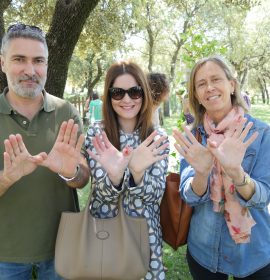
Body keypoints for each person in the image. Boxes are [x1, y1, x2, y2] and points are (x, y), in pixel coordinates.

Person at [0, 23, 90, 279]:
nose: (30, 70)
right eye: (19, 59)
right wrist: (7, 177)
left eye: (38, 60)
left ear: (47, 65)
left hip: (61, 249)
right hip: (5, 256)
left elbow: (83, 179)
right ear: (2, 63)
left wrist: (71, 173)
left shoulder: (67, 112)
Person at [173, 55, 270, 279]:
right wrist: (202, 172)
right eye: (201, 84)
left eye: (216, 79)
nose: (209, 88)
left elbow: (264, 196)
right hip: (204, 250)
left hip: (253, 253)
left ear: (232, 85)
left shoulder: (261, 133)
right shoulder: (194, 134)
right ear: (196, 94)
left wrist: (236, 173)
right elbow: (189, 196)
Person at [85, 61, 170, 280]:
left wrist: (137, 174)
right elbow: (101, 195)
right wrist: (115, 177)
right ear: (108, 95)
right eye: (117, 93)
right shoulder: (97, 133)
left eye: (134, 92)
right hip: (104, 231)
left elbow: (155, 196)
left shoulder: (157, 137)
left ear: (144, 92)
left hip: (145, 234)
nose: (126, 99)